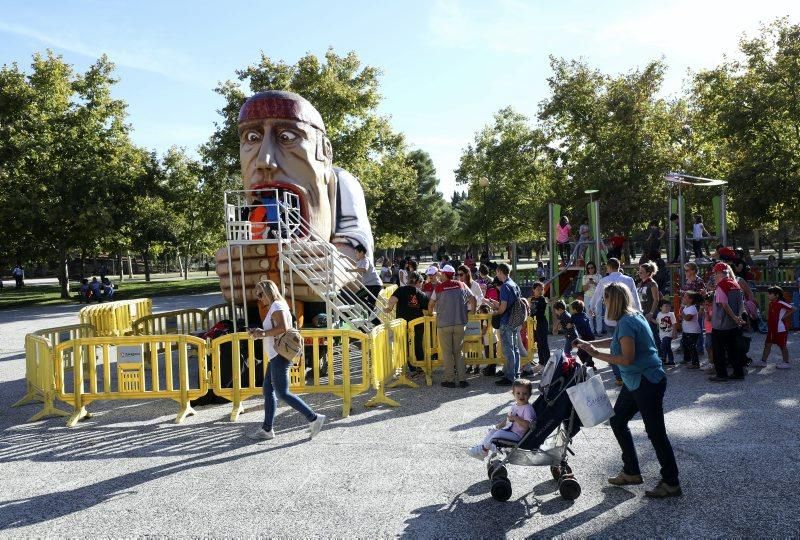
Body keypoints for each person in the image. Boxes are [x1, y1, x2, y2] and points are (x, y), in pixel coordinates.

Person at [215, 90, 376, 307]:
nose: (264, 160)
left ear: (325, 151)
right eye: (252, 138)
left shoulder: (340, 180)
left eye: (287, 137)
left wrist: (337, 265)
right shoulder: (257, 197)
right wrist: (236, 267)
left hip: (329, 306)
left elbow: (357, 238)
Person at [576, 283, 681, 498]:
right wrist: (590, 343)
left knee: (656, 432)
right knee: (618, 420)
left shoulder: (625, 323)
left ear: (613, 301)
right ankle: (632, 471)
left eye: (605, 300)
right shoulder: (633, 316)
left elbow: (626, 358)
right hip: (637, 381)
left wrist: (596, 353)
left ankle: (671, 482)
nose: (604, 304)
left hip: (646, 381)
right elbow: (617, 342)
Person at [247, 279, 326, 441]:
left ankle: (314, 418)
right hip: (276, 355)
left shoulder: (276, 306)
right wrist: (260, 331)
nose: (259, 298)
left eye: (260, 294)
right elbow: (275, 328)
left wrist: (262, 333)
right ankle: (267, 429)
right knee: (268, 391)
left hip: (279, 356)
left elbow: (283, 328)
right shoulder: (275, 306)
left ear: (269, 292)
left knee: (282, 393)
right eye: (257, 295)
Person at [588, 258, 641, 386]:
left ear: (608, 267)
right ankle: (630, 372)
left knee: (614, 347)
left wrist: (591, 307)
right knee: (629, 345)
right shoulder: (628, 280)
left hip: (611, 318)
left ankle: (618, 376)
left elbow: (596, 296)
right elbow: (635, 297)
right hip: (627, 317)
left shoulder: (604, 281)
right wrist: (639, 312)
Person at [428, 265, 476, 388]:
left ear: (444, 274)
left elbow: (431, 303)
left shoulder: (438, 287)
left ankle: (449, 380)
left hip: (444, 324)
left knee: (447, 353)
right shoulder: (461, 285)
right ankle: (462, 379)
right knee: (458, 352)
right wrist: (472, 313)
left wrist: (430, 313)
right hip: (460, 323)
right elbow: (473, 298)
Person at [467, 378, 536, 460]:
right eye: (518, 393)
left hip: (518, 436)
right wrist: (498, 426)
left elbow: (528, 425)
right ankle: (483, 450)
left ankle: (485, 449)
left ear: (530, 394)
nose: (521, 396)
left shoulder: (527, 408)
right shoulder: (515, 405)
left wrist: (516, 418)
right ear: (513, 393)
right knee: (493, 430)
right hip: (511, 431)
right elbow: (508, 420)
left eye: (525, 393)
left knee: (498, 434)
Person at [485, 263, 522, 386]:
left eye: (497, 272)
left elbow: (503, 308)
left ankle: (510, 376)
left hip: (506, 321)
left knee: (508, 349)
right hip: (515, 320)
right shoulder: (514, 285)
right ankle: (516, 373)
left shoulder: (505, 287)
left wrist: (495, 313)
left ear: (501, 272)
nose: (496, 275)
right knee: (515, 348)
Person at [709, 262, 746, 382]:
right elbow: (741, 304)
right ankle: (738, 372)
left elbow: (724, 305)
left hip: (720, 325)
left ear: (718, 273)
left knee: (719, 351)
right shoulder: (736, 284)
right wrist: (739, 317)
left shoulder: (721, 286)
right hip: (733, 326)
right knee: (733, 350)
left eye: (715, 273)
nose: (714, 275)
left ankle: (721, 374)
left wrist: (734, 317)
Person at [385, 271, 429, 366]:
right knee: (417, 344)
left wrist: (389, 308)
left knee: (404, 344)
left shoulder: (401, 290)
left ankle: (406, 364)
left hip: (402, 323)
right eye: (421, 283)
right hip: (417, 324)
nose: (421, 285)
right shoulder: (421, 294)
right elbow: (428, 308)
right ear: (418, 282)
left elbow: (392, 300)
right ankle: (419, 365)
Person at [753, 286, 795, 369]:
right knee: (767, 345)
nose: (768, 295)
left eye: (770, 294)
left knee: (782, 346)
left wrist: (784, 317)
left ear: (777, 295)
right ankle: (763, 361)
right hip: (772, 329)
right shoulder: (771, 303)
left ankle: (786, 363)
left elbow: (794, 308)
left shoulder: (781, 303)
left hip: (780, 329)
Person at [349, 243, 383, 322]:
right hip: (374, 284)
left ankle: (374, 310)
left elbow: (364, 269)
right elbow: (354, 263)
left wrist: (351, 270)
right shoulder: (362, 260)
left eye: (356, 252)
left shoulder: (365, 260)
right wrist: (345, 257)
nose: (356, 254)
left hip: (373, 285)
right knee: (369, 307)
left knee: (357, 296)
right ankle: (376, 323)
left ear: (361, 252)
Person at [637, 262, 662, 356]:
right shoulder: (640, 284)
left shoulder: (652, 284)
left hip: (650, 313)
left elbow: (656, 299)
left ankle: (660, 355)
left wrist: (651, 313)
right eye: (639, 271)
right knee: (643, 335)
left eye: (642, 272)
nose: (639, 273)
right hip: (641, 313)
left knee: (654, 335)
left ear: (648, 273)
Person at [570, 299, 595, 369]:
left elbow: (569, 325)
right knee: (588, 352)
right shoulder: (584, 314)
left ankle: (588, 366)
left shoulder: (574, 316)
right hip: (591, 336)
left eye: (572, 309)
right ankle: (591, 365)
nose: (572, 310)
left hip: (584, 338)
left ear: (575, 309)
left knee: (580, 353)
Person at [680, 291, 703, 369]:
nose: (683, 298)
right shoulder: (686, 307)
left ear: (690, 300)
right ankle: (687, 359)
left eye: (685, 297)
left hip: (692, 331)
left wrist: (681, 312)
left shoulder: (692, 308)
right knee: (685, 344)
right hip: (687, 330)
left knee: (691, 346)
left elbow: (687, 318)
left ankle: (695, 363)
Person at [529, 282, 550, 368]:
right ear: (533, 290)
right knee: (538, 344)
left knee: (543, 343)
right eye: (538, 289)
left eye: (542, 289)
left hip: (541, 323)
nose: (540, 291)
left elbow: (539, 310)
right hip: (534, 324)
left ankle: (548, 363)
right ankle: (541, 362)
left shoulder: (543, 299)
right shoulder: (532, 299)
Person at [582, 261, 602, 335]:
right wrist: (588, 283)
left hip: (597, 297)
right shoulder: (585, 277)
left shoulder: (599, 276)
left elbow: (601, 288)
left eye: (592, 268)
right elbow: (584, 289)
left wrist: (594, 282)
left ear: (594, 268)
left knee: (598, 314)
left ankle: (599, 331)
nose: (590, 269)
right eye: (588, 268)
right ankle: (591, 331)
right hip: (587, 297)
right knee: (588, 314)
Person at [655, 300, 676, 366]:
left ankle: (663, 358)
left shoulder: (671, 314)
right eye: (666, 306)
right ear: (661, 307)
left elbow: (674, 324)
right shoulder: (659, 314)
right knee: (668, 348)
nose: (668, 307)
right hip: (662, 334)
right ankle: (671, 361)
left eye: (669, 306)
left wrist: (674, 333)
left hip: (669, 334)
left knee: (662, 346)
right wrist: (651, 319)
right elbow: (658, 322)